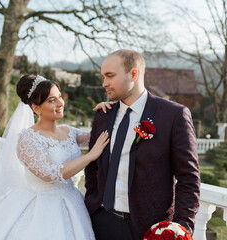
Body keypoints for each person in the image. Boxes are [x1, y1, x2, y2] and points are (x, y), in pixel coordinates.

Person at [0, 74, 109, 240]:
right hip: (41, 205)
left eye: (59, 97)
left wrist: (105, 113)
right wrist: (89, 157)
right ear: (36, 108)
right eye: (52, 100)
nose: (60, 103)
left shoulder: (69, 131)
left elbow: (100, 137)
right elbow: (49, 174)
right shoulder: (27, 138)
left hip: (72, 202)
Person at [84, 49, 201, 240]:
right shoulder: (102, 115)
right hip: (101, 222)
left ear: (134, 74)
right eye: (103, 76)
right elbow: (93, 166)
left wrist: (180, 229)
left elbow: (189, 179)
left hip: (148, 229)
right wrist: (93, 202)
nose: (104, 83)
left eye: (110, 76)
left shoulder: (173, 115)